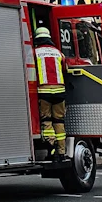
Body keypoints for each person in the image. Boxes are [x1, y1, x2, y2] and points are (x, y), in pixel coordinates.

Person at [34, 26, 67, 157]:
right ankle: (62, 150)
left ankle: (51, 148)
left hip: (44, 91)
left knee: (46, 119)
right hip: (60, 92)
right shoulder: (59, 53)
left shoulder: (35, 52)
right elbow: (64, 68)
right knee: (59, 120)